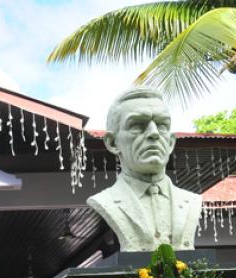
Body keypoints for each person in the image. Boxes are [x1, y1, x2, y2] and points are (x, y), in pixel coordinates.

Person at [87, 87, 203, 252]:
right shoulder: (106, 201)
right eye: (137, 125)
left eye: (162, 125)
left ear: (171, 143)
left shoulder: (191, 201)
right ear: (112, 143)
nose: (154, 133)